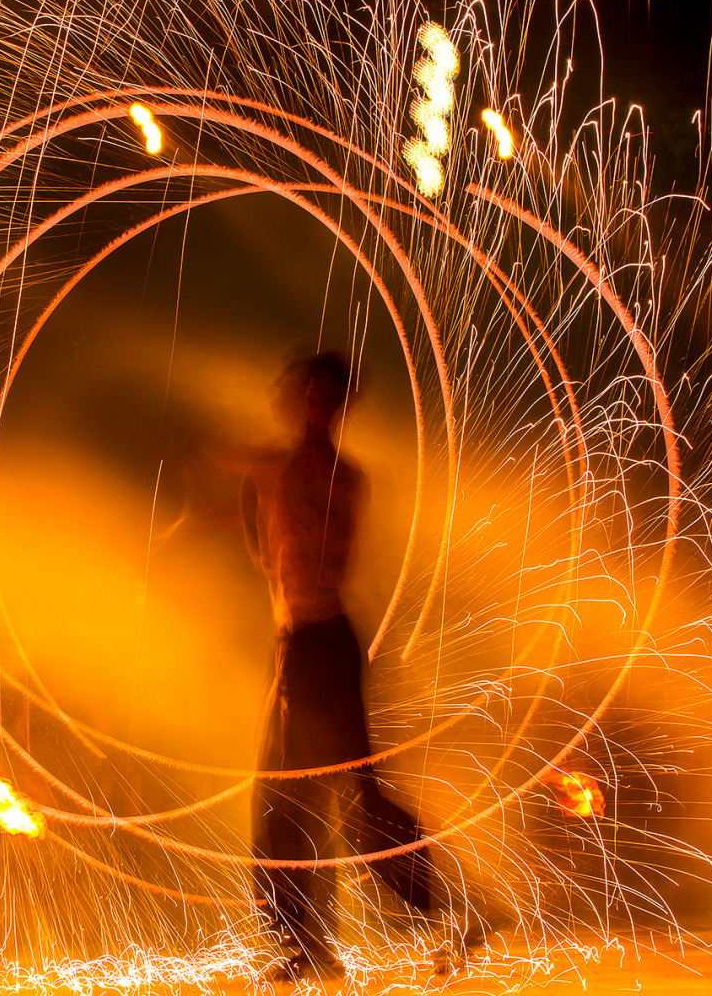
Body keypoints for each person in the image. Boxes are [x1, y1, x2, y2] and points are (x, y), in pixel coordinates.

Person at [242, 351, 437, 978]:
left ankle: (434, 912)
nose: (315, 406)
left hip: (318, 644)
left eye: (327, 396)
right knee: (311, 794)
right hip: (304, 642)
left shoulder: (335, 477)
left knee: (311, 795)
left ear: (337, 406)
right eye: (308, 393)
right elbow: (263, 538)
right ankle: (316, 935)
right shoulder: (277, 469)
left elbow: (316, 557)